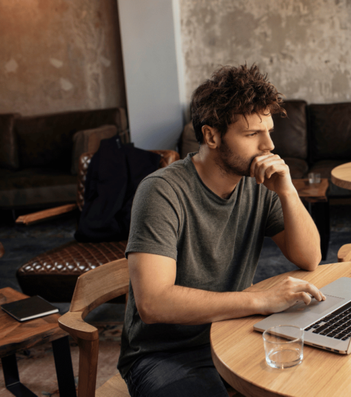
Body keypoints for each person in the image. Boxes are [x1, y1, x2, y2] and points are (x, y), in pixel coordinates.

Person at [118, 64, 326, 397]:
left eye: (269, 131)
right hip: (166, 354)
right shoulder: (161, 191)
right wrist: (260, 299)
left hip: (236, 331)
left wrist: (288, 191)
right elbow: (153, 303)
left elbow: (310, 257)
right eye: (252, 134)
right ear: (211, 136)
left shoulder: (259, 183)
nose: (268, 145)